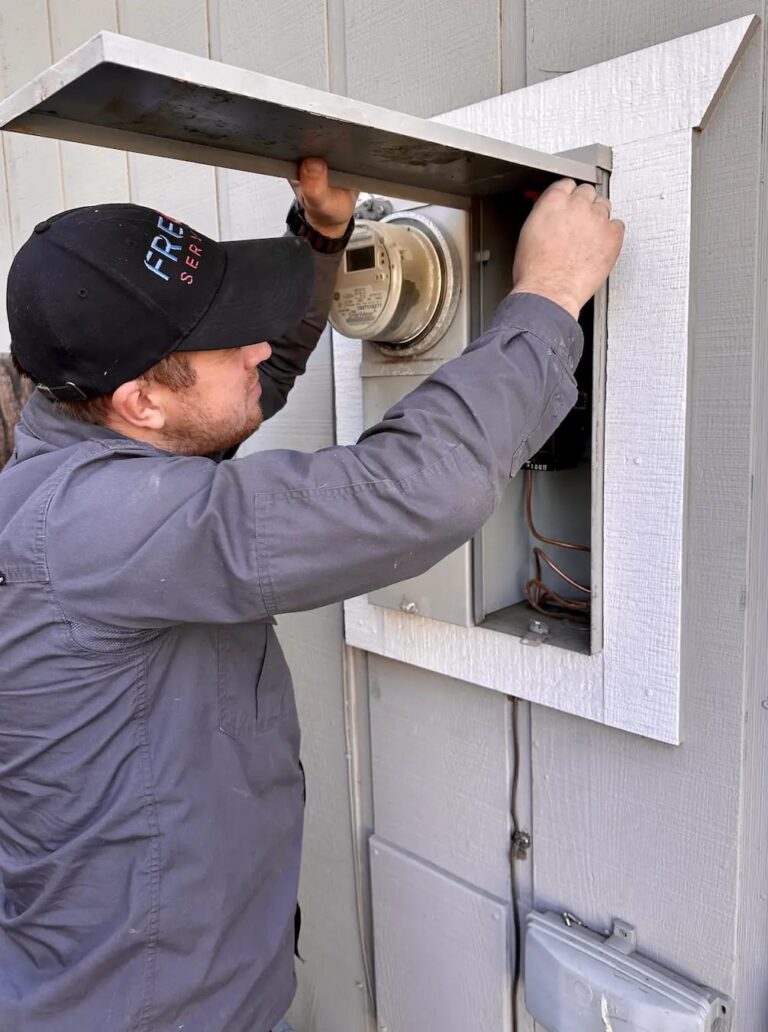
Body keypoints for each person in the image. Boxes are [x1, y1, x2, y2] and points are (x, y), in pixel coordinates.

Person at [0, 156, 623, 1032]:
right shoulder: (103, 526)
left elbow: (227, 404)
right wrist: (549, 295)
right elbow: (406, 489)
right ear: (139, 399)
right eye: (232, 337)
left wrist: (320, 236)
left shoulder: (91, 453)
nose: (260, 345)